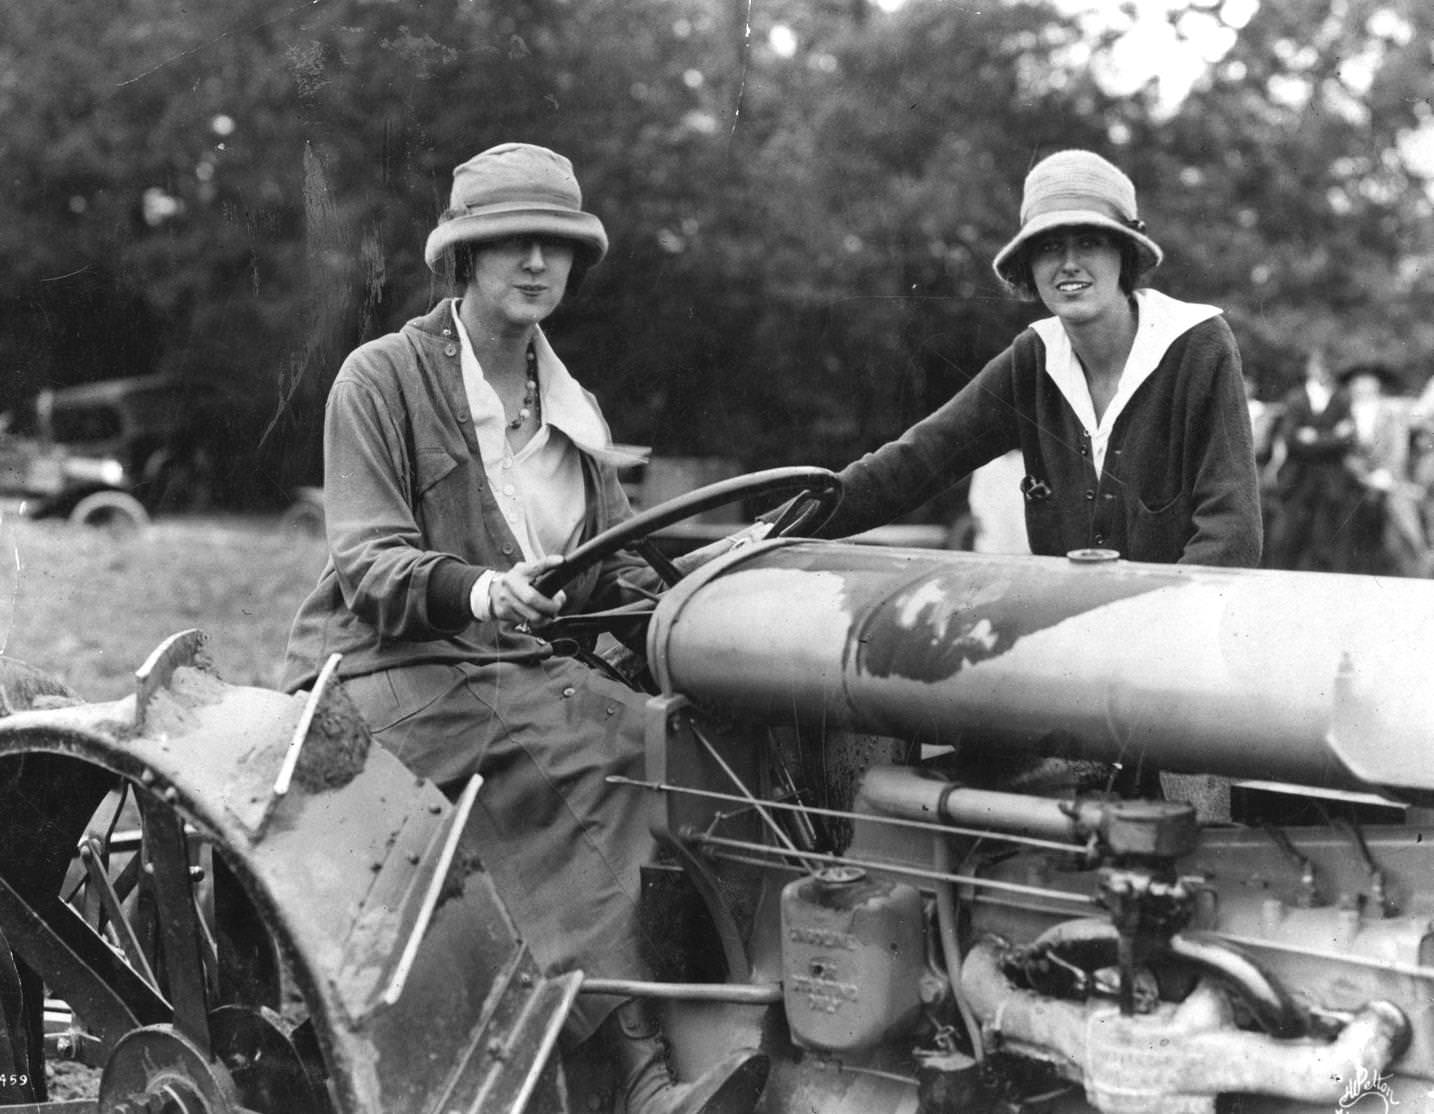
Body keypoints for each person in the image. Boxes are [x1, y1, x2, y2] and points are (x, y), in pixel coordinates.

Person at [281, 142, 768, 1114]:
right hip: (387, 664)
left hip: (510, 667)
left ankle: (753, 1018)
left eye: (554, 243)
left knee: (679, 740)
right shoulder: (379, 382)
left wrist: (719, 584)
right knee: (598, 757)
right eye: (510, 243)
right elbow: (369, 564)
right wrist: (481, 591)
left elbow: (615, 559)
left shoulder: (573, 410)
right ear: (463, 257)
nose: (536, 263)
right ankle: (637, 1073)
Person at [803, 149, 1262, 568]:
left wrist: (1151, 637)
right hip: (1066, 640)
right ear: (1028, 267)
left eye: (1089, 242)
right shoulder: (1034, 359)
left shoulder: (1197, 344)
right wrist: (766, 532)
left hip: (1175, 641)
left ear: (1124, 253)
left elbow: (1231, 531)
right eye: (1047, 246)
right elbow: (914, 463)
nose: (1068, 263)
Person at [1264, 347, 1357, 571]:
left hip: (1331, 478)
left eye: (1327, 368)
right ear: (1309, 369)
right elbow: (1291, 438)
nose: (1323, 372)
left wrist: (1313, 437)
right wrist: (1333, 435)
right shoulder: (1296, 397)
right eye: (1318, 367)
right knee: (1288, 536)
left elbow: (1349, 438)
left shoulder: (1342, 398)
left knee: (1324, 539)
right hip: (1298, 476)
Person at [1339, 362, 1428, 576]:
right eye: (1358, 382)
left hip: (1389, 478)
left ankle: (1418, 572)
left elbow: (1398, 448)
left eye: (1368, 381)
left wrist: (1385, 474)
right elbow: (1343, 452)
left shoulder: (1390, 412)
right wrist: (1363, 475)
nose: (1363, 386)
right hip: (1353, 480)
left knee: (1403, 530)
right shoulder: (1343, 411)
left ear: (1377, 384)